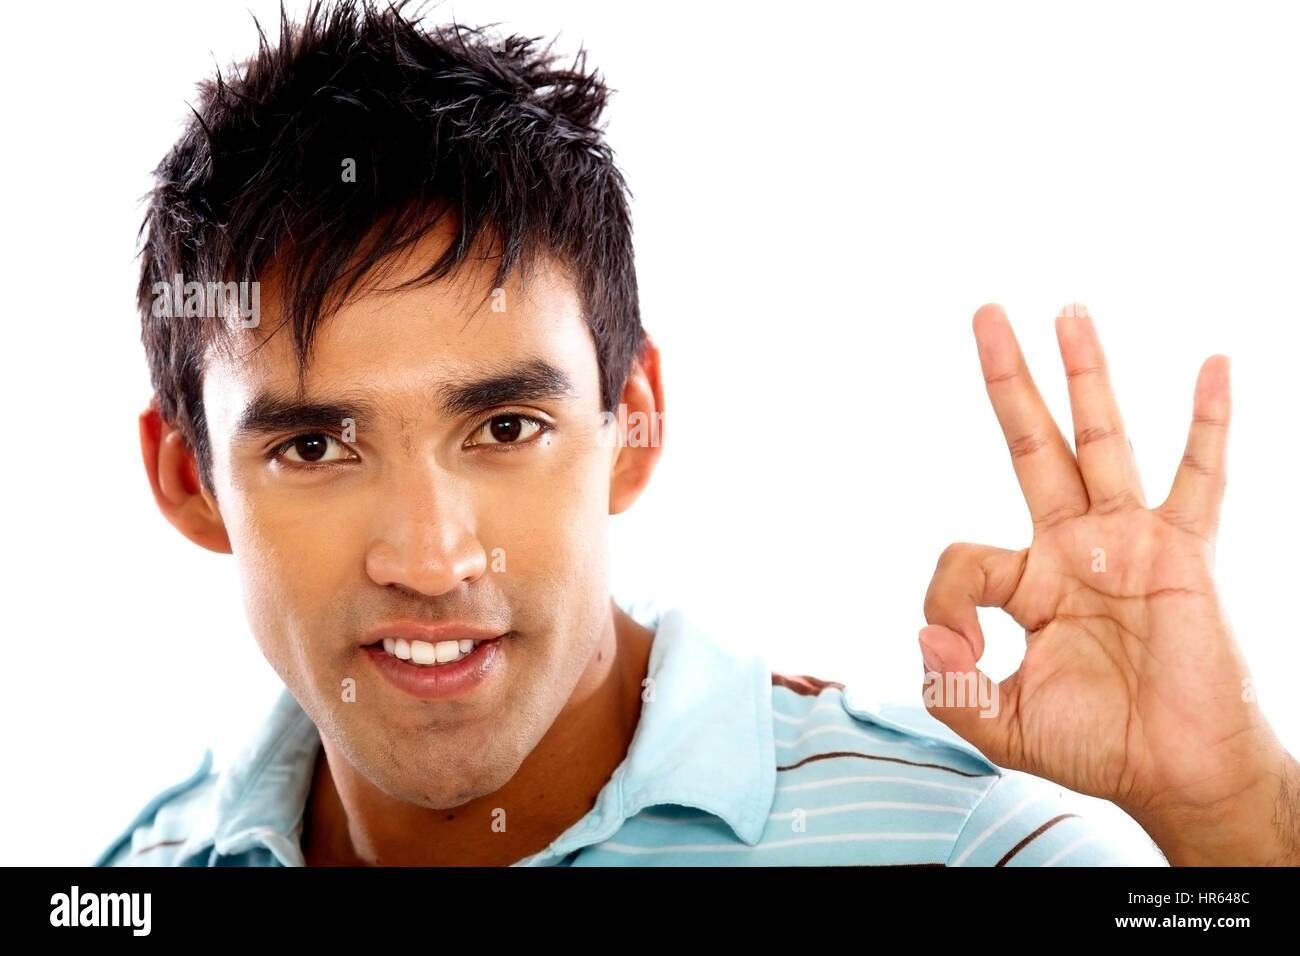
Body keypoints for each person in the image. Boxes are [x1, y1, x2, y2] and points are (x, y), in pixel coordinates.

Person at [95, 0, 1298, 866]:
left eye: (506, 424)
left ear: (635, 422)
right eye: (314, 447)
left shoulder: (974, 851)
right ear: (188, 478)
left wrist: (1233, 816)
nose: (431, 555)